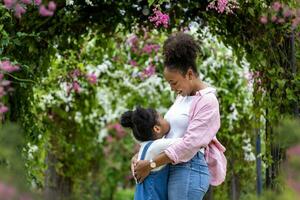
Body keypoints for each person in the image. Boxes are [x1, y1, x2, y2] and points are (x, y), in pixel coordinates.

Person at [133, 32, 227, 200]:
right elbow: (168, 135)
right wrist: (142, 157)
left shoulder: (207, 101)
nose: (172, 88)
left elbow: (190, 144)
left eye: (174, 83)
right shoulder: (181, 98)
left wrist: (151, 164)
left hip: (189, 169)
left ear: (189, 74)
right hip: (172, 166)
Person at [120, 106, 180, 200]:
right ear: (157, 128)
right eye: (162, 117)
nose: (166, 119)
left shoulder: (144, 148)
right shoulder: (157, 146)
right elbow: (187, 142)